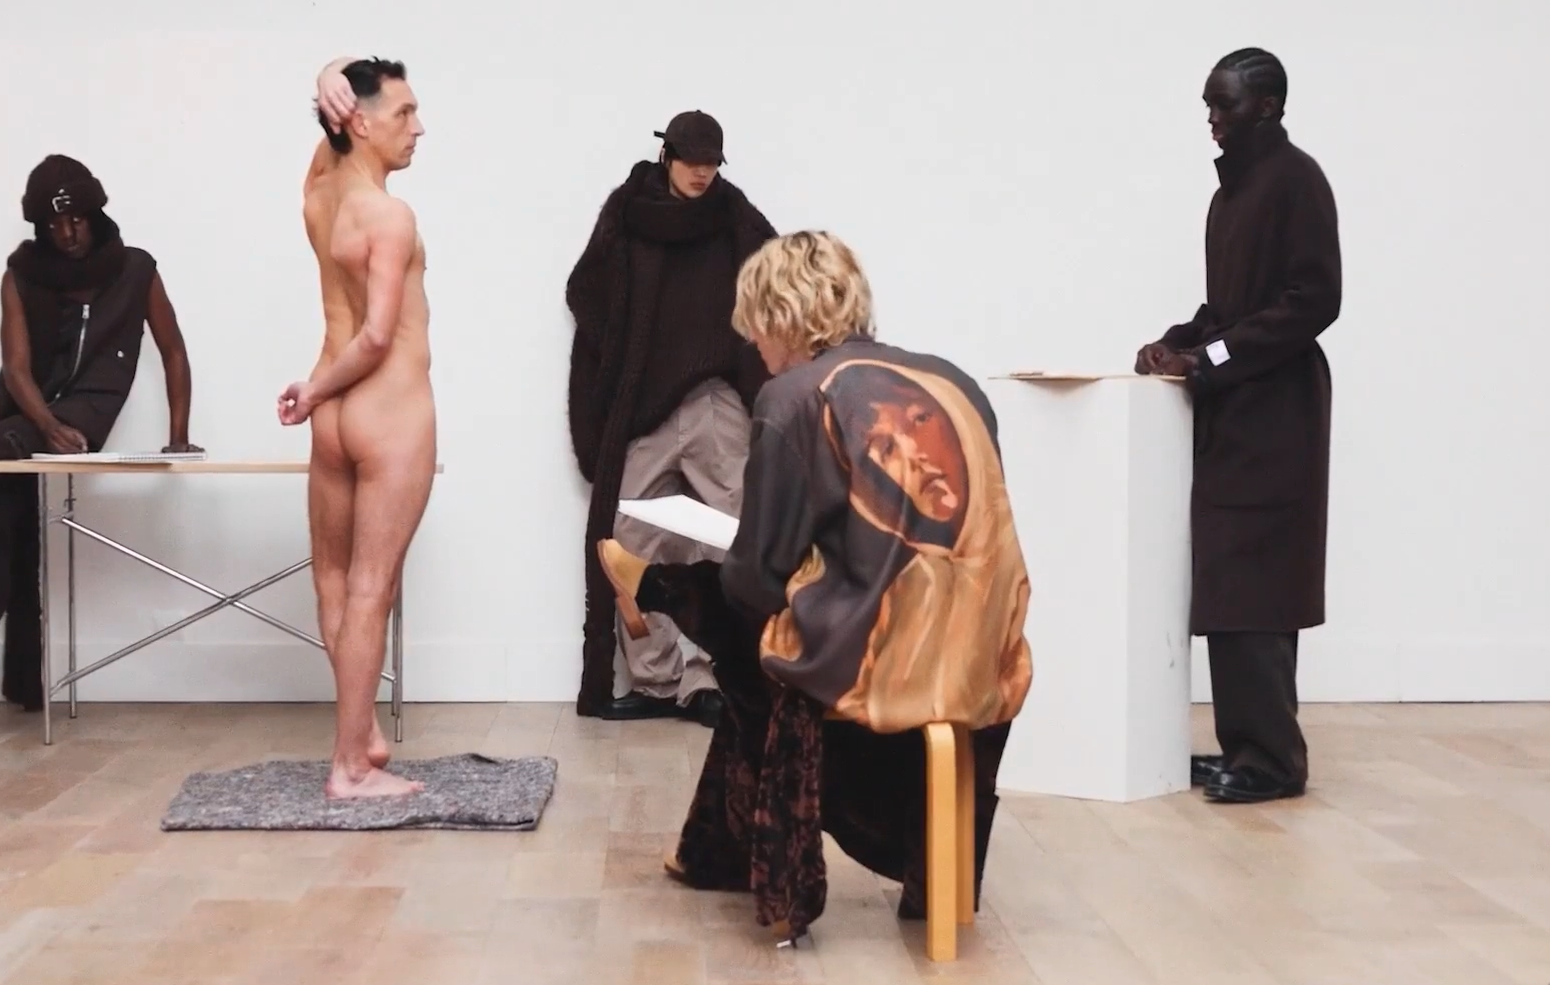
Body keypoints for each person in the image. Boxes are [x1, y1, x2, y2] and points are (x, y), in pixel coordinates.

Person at [596, 231, 1033, 940]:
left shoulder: (793, 396)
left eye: (755, 328)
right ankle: (708, 849)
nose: (752, 346)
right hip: (984, 656)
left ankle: (651, 586)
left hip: (872, 666)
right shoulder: (956, 382)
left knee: (735, 625)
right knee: (756, 623)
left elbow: (757, 579)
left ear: (779, 317)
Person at [0, 154, 200, 729]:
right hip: (21, 415)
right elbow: (16, 369)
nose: (67, 233)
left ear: (95, 215)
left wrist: (179, 437)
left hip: (81, 414)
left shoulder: (135, 270)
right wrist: (44, 425)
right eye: (53, 224)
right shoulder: (21, 275)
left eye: (76, 220)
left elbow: (173, 350)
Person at [1135, 47, 1340, 805]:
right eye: (1208, 105)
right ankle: (1245, 747)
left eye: (1223, 104)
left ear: (1268, 106)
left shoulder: (1297, 181)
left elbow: (1314, 300)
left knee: (1260, 583)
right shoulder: (1231, 195)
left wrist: (1209, 356)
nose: (1212, 118)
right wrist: (1177, 342)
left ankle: (1274, 761)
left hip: (1279, 411)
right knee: (1229, 578)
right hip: (1236, 409)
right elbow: (1229, 310)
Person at [565, 110, 778, 726]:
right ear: (668, 156)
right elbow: (585, 291)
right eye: (692, 161)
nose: (702, 173)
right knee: (629, 539)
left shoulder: (734, 214)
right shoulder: (631, 210)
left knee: (737, 535)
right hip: (646, 406)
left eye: (711, 163)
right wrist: (627, 351)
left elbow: (779, 280)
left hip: (715, 399)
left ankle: (718, 681)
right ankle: (657, 681)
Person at [280, 56, 435, 798]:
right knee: (373, 585)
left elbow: (331, 122)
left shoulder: (320, 193)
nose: (418, 127)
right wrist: (313, 391)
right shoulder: (390, 217)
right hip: (386, 408)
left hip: (336, 417)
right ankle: (348, 766)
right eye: (404, 113)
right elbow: (376, 338)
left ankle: (361, 729)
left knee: (336, 579)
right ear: (362, 123)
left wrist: (326, 73)